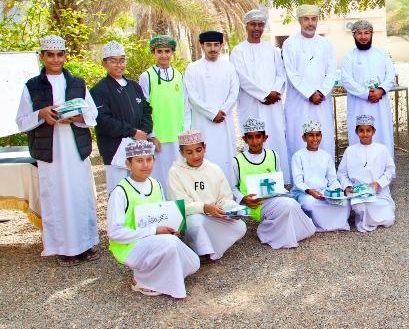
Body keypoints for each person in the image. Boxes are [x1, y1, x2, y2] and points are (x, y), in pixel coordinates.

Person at [16, 35, 99, 266]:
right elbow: (21, 121)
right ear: (42, 56)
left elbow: (92, 115)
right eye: (50, 55)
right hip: (50, 153)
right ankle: (64, 248)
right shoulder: (32, 86)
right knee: (57, 198)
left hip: (75, 149)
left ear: (65, 56)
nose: (55, 59)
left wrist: (77, 117)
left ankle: (85, 244)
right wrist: (42, 115)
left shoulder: (78, 83)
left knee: (80, 195)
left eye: (59, 54)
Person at [107, 140, 200, 297]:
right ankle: (142, 279)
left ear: (154, 160)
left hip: (156, 239)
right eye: (139, 161)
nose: (145, 165)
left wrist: (171, 229)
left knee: (193, 263)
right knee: (169, 244)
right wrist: (153, 231)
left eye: (149, 159)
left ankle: (158, 275)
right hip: (130, 246)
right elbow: (114, 233)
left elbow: (163, 215)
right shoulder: (120, 192)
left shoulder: (156, 184)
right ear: (128, 164)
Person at [231, 118, 316, 248]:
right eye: (250, 137)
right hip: (255, 204)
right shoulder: (237, 161)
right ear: (244, 139)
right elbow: (233, 188)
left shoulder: (273, 155)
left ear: (265, 138)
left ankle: (282, 231)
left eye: (258, 137)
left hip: (275, 198)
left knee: (291, 204)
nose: (254, 141)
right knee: (288, 205)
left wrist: (282, 191)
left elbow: (277, 180)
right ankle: (265, 231)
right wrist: (244, 198)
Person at [166, 130, 246, 262]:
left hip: (216, 216)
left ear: (204, 148)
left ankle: (211, 246)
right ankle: (203, 252)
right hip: (193, 218)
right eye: (189, 152)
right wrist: (205, 208)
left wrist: (233, 210)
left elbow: (225, 198)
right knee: (196, 222)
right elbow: (181, 207)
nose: (195, 155)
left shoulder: (214, 169)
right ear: (181, 153)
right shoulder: (175, 172)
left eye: (198, 150)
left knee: (240, 226)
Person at [230, 9, 291, 182]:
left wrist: (275, 92)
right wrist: (265, 95)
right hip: (251, 105)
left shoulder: (272, 50)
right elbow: (242, 78)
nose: (257, 28)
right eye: (253, 24)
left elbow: (281, 73)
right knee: (254, 141)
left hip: (273, 107)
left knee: (276, 140)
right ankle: (252, 185)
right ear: (246, 26)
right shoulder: (238, 51)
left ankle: (283, 183)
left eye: (260, 24)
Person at [90, 41, 153, 192]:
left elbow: (146, 110)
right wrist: (132, 132)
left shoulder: (134, 86)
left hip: (139, 148)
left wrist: (144, 131)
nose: (118, 65)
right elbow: (104, 121)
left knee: (140, 190)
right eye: (113, 61)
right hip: (115, 151)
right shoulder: (99, 90)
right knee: (119, 191)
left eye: (121, 60)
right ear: (104, 63)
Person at [282, 4, 337, 163]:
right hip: (298, 103)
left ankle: (327, 181)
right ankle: (299, 182)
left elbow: (331, 72)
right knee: (297, 138)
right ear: (300, 20)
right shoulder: (290, 43)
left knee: (323, 137)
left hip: (321, 101)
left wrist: (320, 92)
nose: (310, 23)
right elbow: (292, 73)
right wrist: (310, 93)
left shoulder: (325, 44)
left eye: (313, 19)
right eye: (306, 19)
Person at [184, 31, 239, 181]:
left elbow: (234, 92)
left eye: (216, 45)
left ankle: (229, 189)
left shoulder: (229, 67)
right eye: (208, 45)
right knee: (204, 156)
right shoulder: (192, 68)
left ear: (221, 45)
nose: (213, 49)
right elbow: (192, 96)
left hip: (224, 121)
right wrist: (212, 113)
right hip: (203, 122)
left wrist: (223, 111)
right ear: (202, 46)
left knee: (226, 157)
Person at [139, 34, 190, 191]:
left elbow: (186, 105)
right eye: (159, 51)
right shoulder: (146, 76)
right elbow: (144, 108)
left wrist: (185, 132)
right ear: (153, 53)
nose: (164, 55)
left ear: (172, 53)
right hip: (158, 138)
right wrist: (152, 135)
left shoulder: (179, 75)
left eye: (167, 51)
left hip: (178, 137)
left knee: (179, 177)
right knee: (160, 177)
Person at [341, 20, 397, 155]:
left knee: (382, 133)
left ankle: (384, 171)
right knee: (359, 136)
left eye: (366, 33)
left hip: (380, 104)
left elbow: (391, 75)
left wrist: (381, 90)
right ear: (354, 35)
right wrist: (367, 94)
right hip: (359, 105)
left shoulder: (381, 54)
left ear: (372, 34)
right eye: (359, 33)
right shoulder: (349, 57)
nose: (363, 36)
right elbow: (347, 80)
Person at [337, 115, 397, 232]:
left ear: (374, 131)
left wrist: (378, 183)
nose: (365, 134)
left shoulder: (382, 149)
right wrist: (348, 186)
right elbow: (341, 173)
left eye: (368, 130)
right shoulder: (350, 151)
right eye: (361, 131)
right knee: (360, 207)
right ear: (356, 132)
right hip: (357, 193)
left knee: (389, 219)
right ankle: (361, 217)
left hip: (378, 192)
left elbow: (390, 170)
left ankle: (369, 215)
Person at [291, 121, 350, 231]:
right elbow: (298, 182)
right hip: (305, 193)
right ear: (304, 138)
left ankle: (337, 224)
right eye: (310, 135)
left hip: (324, 192)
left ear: (321, 136)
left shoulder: (326, 156)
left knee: (344, 202)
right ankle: (316, 225)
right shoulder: (298, 156)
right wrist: (311, 191)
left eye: (317, 135)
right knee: (310, 203)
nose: (315, 139)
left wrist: (337, 190)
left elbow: (332, 179)